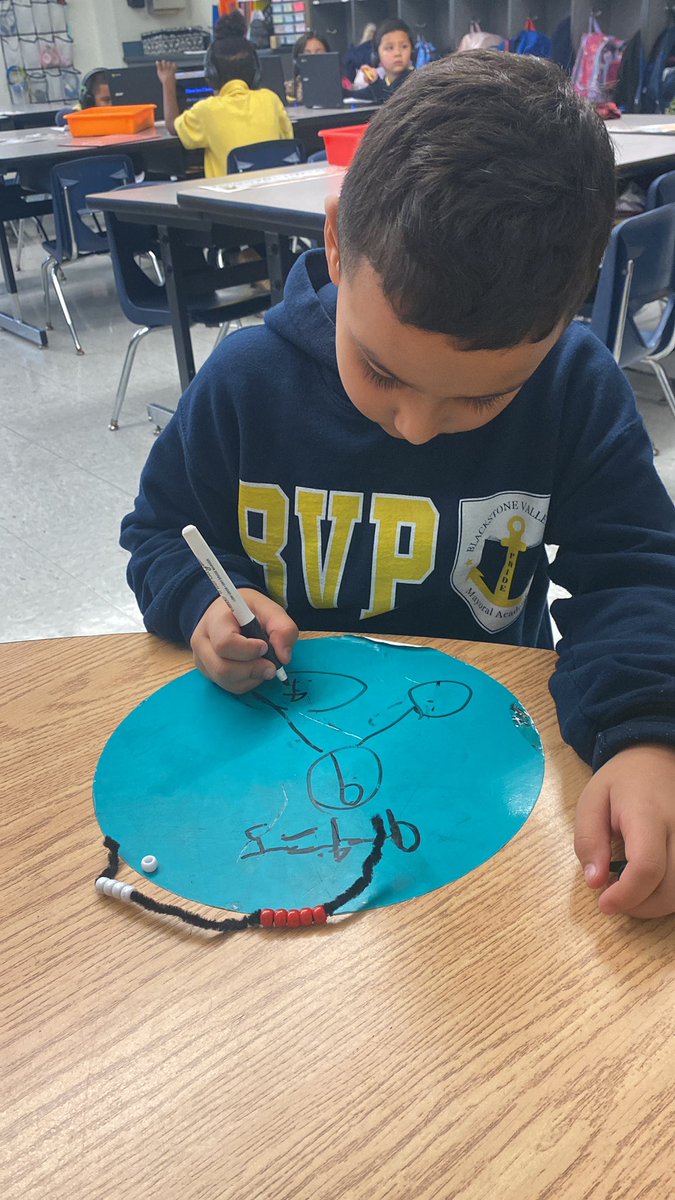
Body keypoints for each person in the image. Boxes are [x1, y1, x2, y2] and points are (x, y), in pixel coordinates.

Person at [121, 53, 675, 920]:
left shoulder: (571, 383)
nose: (414, 427)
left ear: (568, 313)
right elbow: (161, 533)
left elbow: (635, 574)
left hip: (489, 781)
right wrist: (201, 601)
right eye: (378, 369)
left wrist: (643, 735)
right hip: (275, 787)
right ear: (337, 241)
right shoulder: (244, 382)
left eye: (482, 397)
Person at [156, 10, 293, 178]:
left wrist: (167, 82)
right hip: (273, 197)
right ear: (256, 72)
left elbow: (171, 126)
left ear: (212, 74)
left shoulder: (207, 110)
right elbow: (287, 139)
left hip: (228, 200)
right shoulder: (270, 99)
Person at [352, 18, 415, 103]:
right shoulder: (383, 83)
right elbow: (355, 95)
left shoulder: (415, 81)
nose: (397, 53)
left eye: (404, 46)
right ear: (377, 55)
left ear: (412, 50)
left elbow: (390, 101)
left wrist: (376, 82)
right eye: (389, 48)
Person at [287, 30, 330, 103]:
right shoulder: (290, 89)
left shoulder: (340, 84)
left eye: (319, 53)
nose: (313, 58)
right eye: (307, 54)